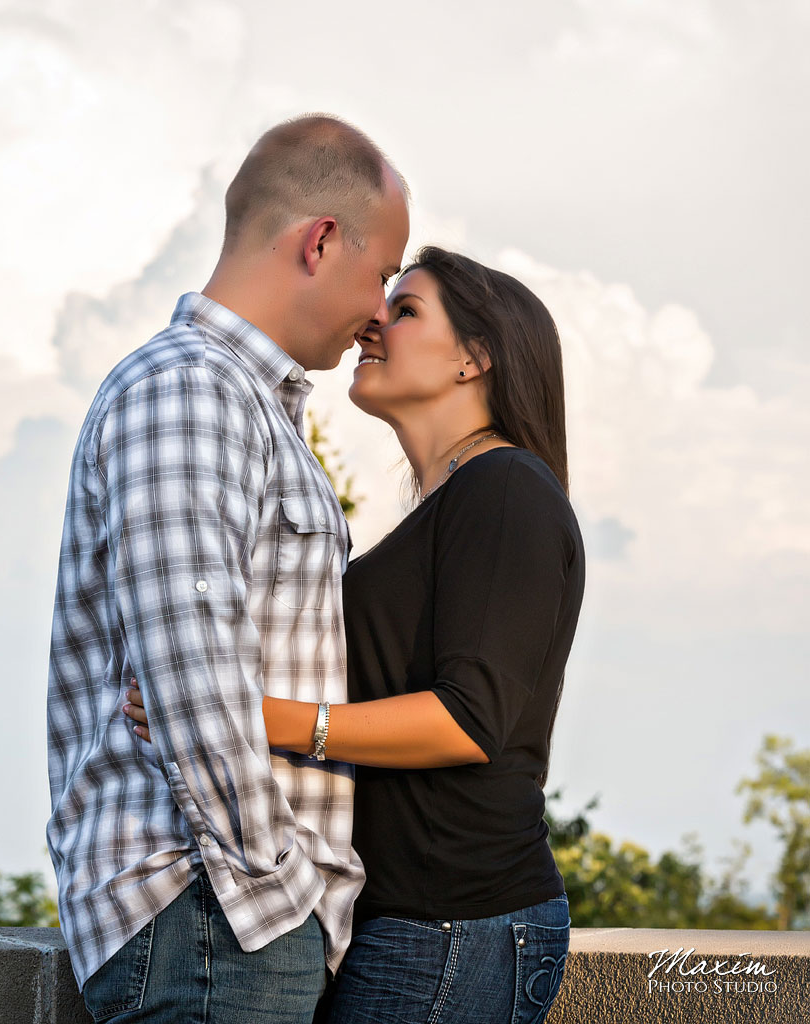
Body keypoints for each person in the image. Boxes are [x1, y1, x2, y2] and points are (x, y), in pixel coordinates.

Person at [125, 245, 586, 1024]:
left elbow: (467, 719)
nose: (374, 320)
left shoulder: (506, 491)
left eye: (406, 311)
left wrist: (255, 720)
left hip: (455, 925)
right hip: (413, 922)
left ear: (474, 358)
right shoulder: (453, 505)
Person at [46, 113, 410, 1024]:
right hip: (212, 922)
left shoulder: (245, 403)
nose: (378, 309)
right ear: (320, 241)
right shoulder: (188, 389)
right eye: (382, 276)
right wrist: (277, 893)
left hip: (225, 926)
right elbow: (192, 671)